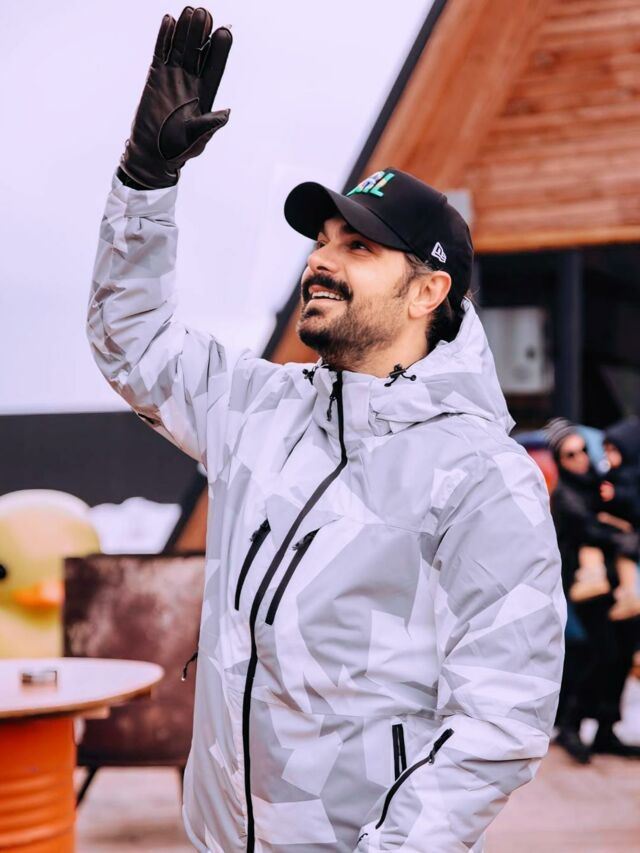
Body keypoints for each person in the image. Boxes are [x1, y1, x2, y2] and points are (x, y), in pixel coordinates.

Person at [88, 8, 566, 851]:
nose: (321, 258)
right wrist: (146, 179)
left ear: (428, 291)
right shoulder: (261, 410)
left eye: (359, 247)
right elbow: (133, 342)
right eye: (322, 239)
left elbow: (500, 719)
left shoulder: (482, 476)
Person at [545, 417, 640, 762]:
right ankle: (571, 724)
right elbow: (589, 530)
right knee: (602, 654)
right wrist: (624, 537)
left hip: (611, 583)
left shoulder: (597, 485)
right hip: (585, 587)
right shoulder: (566, 495)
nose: (581, 458)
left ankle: (605, 729)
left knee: (622, 651)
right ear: (560, 461)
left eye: (583, 450)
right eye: (570, 455)